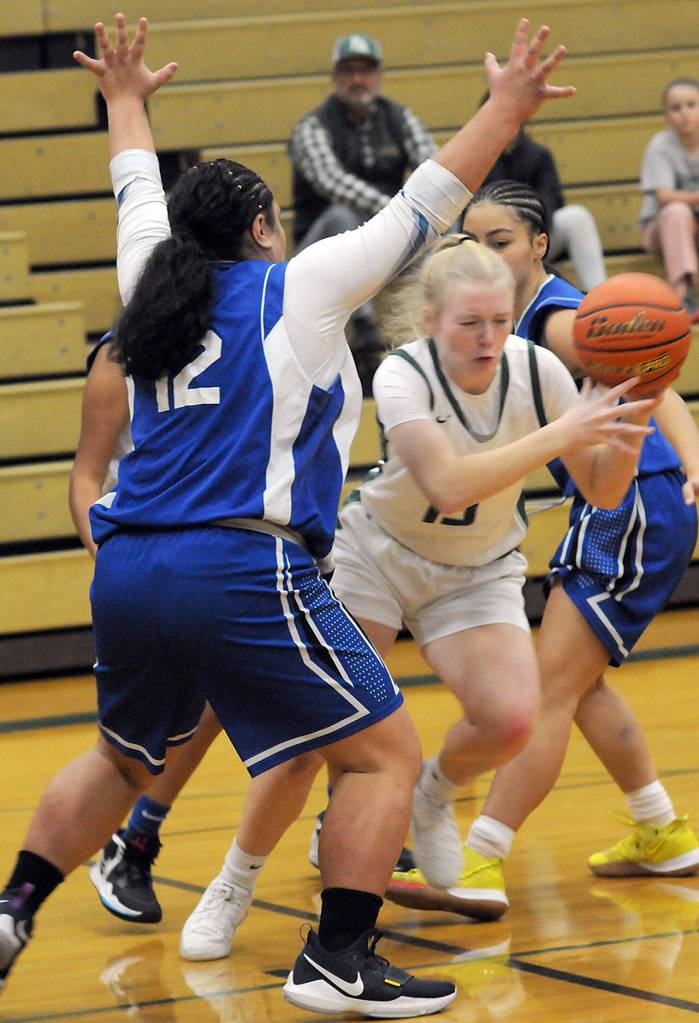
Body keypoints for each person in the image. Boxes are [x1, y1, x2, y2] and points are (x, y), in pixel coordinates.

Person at [0, 13, 579, 1015]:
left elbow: (133, 186)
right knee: (383, 753)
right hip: (240, 560)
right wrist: (506, 108)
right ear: (265, 227)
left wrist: (124, 100)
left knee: (120, 759)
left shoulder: (146, 283)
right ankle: (336, 957)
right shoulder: (297, 287)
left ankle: (12, 908)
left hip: (129, 566)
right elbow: (428, 198)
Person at [177, 227, 661, 956]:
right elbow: (447, 483)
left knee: (510, 720)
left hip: (477, 569)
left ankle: (432, 794)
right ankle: (232, 883)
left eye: (500, 320)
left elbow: (601, 489)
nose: (488, 338)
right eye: (470, 323)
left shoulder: (538, 371)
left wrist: (635, 416)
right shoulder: (403, 374)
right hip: (378, 558)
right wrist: (565, 430)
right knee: (309, 740)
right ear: (431, 320)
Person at [387, 179, 699, 921]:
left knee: (544, 690)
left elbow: (654, 384)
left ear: (536, 247)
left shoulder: (555, 320)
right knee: (576, 684)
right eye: (471, 240)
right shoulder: (497, 319)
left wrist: (692, 461)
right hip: (619, 501)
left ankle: (480, 854)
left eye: (499, 241)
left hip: (632, 502)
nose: (483, 252)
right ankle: (659, 827)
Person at [288, 31, 436, 395]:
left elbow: (432, 167)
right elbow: (333, 183)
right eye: (349, 71)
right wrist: (400, 213)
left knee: (443, 223)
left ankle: (435, 331)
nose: (358, 79)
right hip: (321, 248)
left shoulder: (400, 117)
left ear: (379, 75)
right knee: (344, 217)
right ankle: (365, 330)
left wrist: (429, 216)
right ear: (335, 77)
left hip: (386, 235)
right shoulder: (312, 126)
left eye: (365, 70)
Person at [480, 115, 606, 292]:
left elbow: (551, 201)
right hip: (493, 244)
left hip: (536, 235)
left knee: (577, 217)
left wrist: (526, 230)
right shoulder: (479, 158)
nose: (503, 126)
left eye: (508, 119)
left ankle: (599, 292)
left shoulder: (539, 155)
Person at [640, 76, 699, 322]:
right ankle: (681, 296)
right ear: (666, 115)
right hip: (661, 228)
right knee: (676, 211)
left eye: (691, 105)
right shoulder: (660, 146)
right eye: (676, 108)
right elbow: (664, 196)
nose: (684, 113)